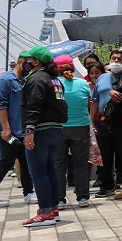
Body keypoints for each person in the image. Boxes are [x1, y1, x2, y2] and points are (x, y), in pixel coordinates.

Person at [21, 45, 68, 228]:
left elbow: (34, 104)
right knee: (50, 171)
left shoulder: (36, 79)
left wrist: (29, 130)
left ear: (36, 62)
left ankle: (45, 213)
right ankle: (53, 210)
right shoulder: (54, 79)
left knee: (39, 172)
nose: (26, 62)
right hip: (56, 129)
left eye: (29, 59)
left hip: (40, 130)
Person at [0, 57, 35, 207]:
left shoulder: (24, 81)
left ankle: (28, 192)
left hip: (20, 130)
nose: (29, 67)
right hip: (9, 132)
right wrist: (5, 128)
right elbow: (1, 106)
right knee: (5, 161)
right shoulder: (7, 81)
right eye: (27, 64)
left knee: (25, 161)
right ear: (19, 62)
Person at [52, 55, 93, 209]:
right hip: (81, 126)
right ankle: (83, 197)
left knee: (59, 164)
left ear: (56, 69)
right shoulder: (83, 83)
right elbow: (88, 103)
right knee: (81, 163)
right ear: (73, 68)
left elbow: (57, 103)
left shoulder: (55, 85)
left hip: (60, 127)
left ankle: (60, 199)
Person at [92, 49, 122, 198]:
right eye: (114, 59)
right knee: (105, 155)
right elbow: (94, 100)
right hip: (103, 121)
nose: (116, 62)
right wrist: (92, 121)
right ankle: (106, 185)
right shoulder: (102, 78)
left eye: (120, 59)